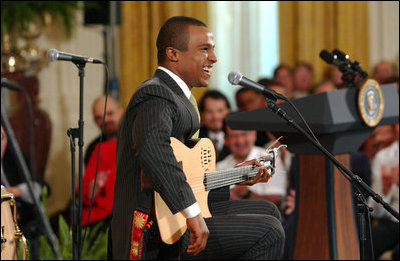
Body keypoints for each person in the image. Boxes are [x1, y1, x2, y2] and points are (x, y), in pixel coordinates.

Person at [111, 16, 285, 260]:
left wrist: (237, 175)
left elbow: (186, 174)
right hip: (158, 226)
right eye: (204, 49)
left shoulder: (176, 97)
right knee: (269, 232)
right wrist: (193, 213)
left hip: (174, 211)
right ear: (173, 54)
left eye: (212, 50)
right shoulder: (156, 93)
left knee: (269, 210)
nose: (213, 58)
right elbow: (153, 150)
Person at [216, 122, 287, 207]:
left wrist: (246, 193)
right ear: (225, 139)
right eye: (233, 136)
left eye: (244, 134)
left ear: (254, 134)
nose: (240, 141)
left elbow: (276, 201)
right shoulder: (219, 167)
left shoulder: (271, 159)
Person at [368, 122, 399, 260]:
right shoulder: (383, 157)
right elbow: (375, 211)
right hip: (392, 223)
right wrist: (385, 192)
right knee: (369, 240)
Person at [84, 95, 124, 166]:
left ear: (122, 112)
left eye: (110, 113)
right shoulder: (93, 149)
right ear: (95, 121)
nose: (105, 120)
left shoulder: (135, 141)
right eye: (99, 117)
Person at [198, 90, 231, 161]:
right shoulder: (193, 138)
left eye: (220, 111)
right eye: (209, 111)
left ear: (229, 111)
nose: (215, 117)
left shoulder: (239, 136)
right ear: (201, 114)